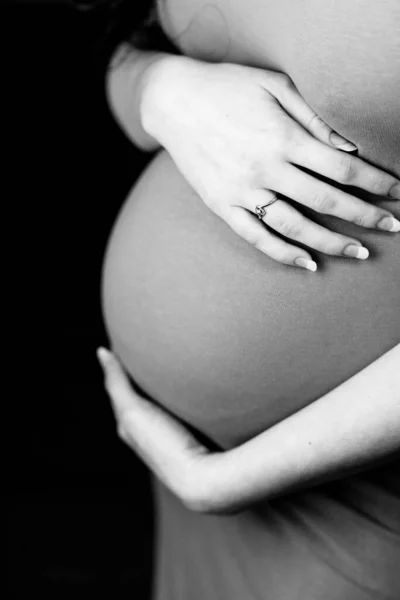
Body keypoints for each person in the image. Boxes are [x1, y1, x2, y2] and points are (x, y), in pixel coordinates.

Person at [99, 1, 400, 598]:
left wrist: (226, 482)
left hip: (350, 491)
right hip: (189, 474)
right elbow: (128, 45)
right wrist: (163, 88)